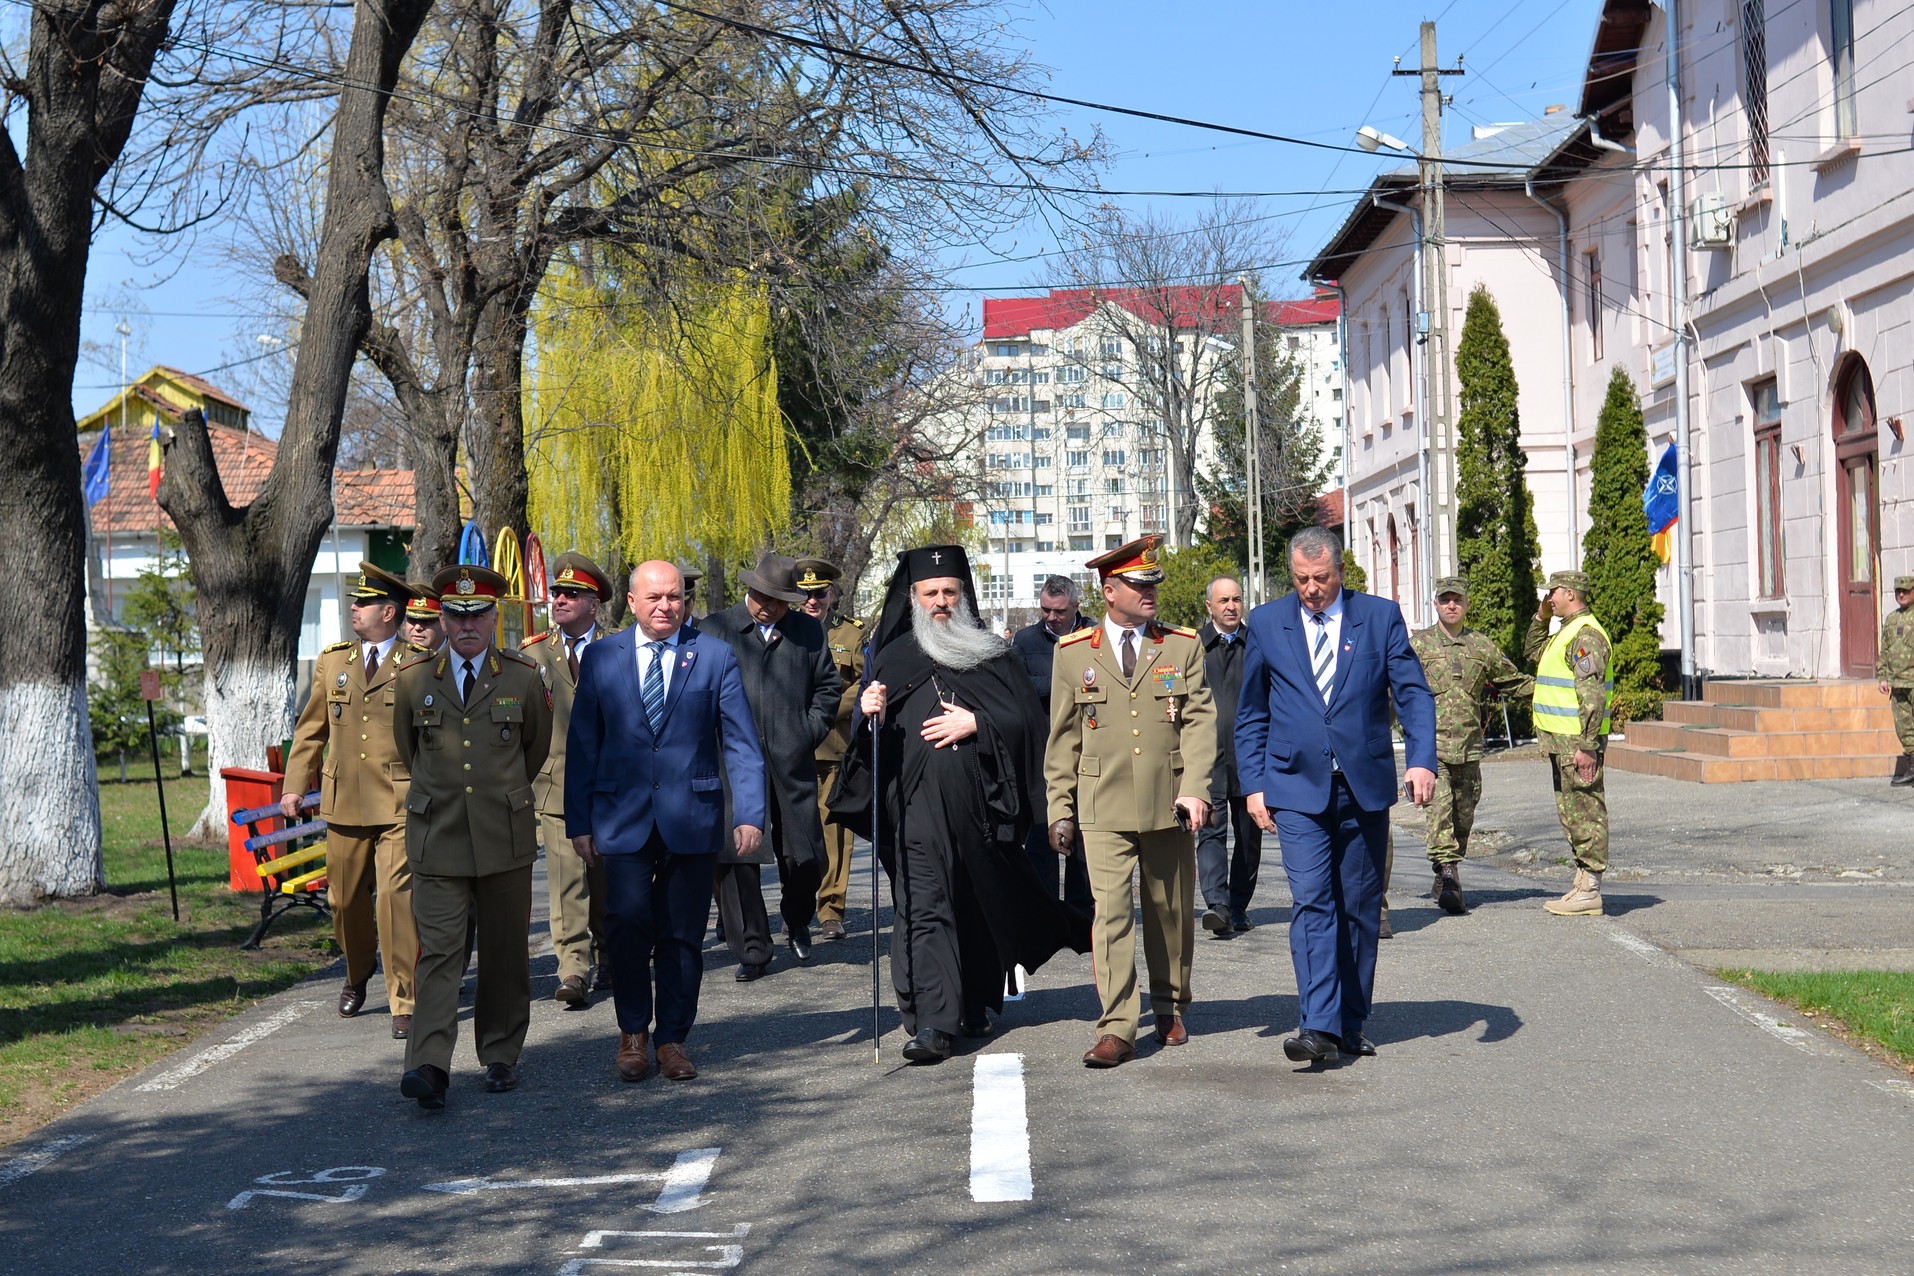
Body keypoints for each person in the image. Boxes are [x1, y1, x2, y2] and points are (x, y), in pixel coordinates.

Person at [834, 545, 1088, 1063]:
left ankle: (973, 1002)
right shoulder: (891, 657)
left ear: (964, 596)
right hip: (915, 811)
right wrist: (870, 713)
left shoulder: (993, 654)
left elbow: (1029, 725)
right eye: (931, 594)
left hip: (981, 810)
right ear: (913, 598)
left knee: (976, 902)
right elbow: (869, 745)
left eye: (950, 592)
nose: (942, 602)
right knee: (925, 907)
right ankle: (934, 1022)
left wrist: (977, 723)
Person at [1237, 528, 1436, 1067]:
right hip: (1295, 787)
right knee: (1312, 901)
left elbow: (1413, 693)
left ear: (1340, 571)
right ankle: (1317, 1025)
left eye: (1321, 579)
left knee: (1359, 908)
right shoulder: (1266, 623)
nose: (1311, 589)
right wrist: (1253, 785)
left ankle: (1350, 1023)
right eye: (1301, 580)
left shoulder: (1379, 617)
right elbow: (1252, 713)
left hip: (1363, 786)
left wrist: (1421, 758)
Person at [567, 561, 765, 1082]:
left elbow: (741, 741)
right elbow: (583, 743)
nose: (665, 606)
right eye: (653, 597)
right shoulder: (602, 658)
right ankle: (632, 1033)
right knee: (628, 923)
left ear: (687, 603)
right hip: (620, 815)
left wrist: (749, 812)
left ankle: (672, 1038)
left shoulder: (714, 657)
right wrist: (578, 820)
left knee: (681, 935)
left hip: (692, 817)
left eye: (674, 597)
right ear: (630, 603)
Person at [1045, 535, 1217, 1068]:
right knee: (1111, 916)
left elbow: (1199, 722)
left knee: (1169, 912)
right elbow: (1063, 738)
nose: (1151, 594)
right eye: (1140, 586)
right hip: (1102, 807)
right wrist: (1060, 807)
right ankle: (1118, 1025)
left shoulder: (1181, 645)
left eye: (1153, 585)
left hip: (1168, 801)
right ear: (1109, 590)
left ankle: (1168, 1006)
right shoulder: (1074, 654)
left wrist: (1196, 788)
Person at [392, 564, 553, 1109]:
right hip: (437, 836)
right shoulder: (414, 680)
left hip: (502, 835)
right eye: (456, 615)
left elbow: (532, 750)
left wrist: (498, 793)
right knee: (439, 952)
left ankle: (501, 1054)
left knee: (506, 952)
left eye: (479, 614)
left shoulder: (523, 678)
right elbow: (407, 752)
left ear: (494, 618)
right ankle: (429, 1064)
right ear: (441, 617)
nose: (467, 625)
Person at [282, 561, 424, 1038]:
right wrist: (294, 785)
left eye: (363, 603)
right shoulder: (334, 661)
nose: (354, 609)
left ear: (390, 612)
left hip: (399, 802)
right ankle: (357, 972)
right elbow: (311, 730)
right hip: (343, 801)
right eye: (354, 602)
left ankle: (403, 996)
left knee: (395, 900)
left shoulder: (416, 663)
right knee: (343, 901)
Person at [698, 554, 841, 979]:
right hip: (732, 764)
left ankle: (797, 918)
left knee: (806, 855)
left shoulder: (807, 631)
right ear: (751, 590)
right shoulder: (716, 629)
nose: (769, 607)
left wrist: (805, 731)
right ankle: (754, 951)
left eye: (779, 601)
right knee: (737, 860)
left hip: (789, 759)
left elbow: (828, 688)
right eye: (763, 597)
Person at [521, 552, 615, 1004]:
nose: (558, 599)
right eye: (556, 592)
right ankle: (573, 968)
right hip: (556, 785)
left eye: (570, 594)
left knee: (608, 880)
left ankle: (611, 953)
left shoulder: (619, 648)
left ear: (593, 604)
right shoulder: (532, 653)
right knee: (567, 881)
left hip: (613, 787)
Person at [1410, 576, 1534, 915]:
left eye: (1457, 600)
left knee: (1463, 816)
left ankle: (1446, 870)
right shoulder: (1417, 646)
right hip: (1430, 751)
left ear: (1466, 604)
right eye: (1445, 599)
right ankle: (1449, 874)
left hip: (1468, 748)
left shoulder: (1482, 647)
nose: (1451, 605)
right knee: (1439, 812)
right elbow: (1395, 687)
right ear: (1435, 604)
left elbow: (1513, 680)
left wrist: (1555, 690)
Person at [1526, 570, 1614, 917]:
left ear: (1569, 593)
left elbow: (1591, 696)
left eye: (1553, 594)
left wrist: (1588, 745)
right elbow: (1533, 652)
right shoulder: (1565, 632)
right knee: (1572, 813)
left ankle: (1590, 887)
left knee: (1586, 811)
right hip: (1561, 742)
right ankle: (1581, 881)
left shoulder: (1585, 636)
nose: (1550, 599)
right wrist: (1540, 618)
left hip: (1577, 743)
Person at [1011, 576, 1094, 912]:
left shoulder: (1093, 636)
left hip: (1088, 750)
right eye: (1044, 609)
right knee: (1042, 839)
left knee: (1084, 839)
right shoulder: (1025, 640)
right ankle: (1043, 910)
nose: (1050, 617)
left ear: (1075, 606)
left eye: (1058, 611)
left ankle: (1079, 910)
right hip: (1042, 753)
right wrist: (1066, 683)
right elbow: (1019, 685)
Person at [796, 557, 864, 940]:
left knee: (834, 829)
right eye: (805, 595)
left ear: (832, 594)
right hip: (791, 749)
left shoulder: (851, 635)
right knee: (793, 832)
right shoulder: (786, 631)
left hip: (833, 748)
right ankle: (798, 905)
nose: (812, 602)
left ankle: (830, 908)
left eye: (819, 594)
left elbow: (863, 685)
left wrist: (821, 709)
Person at [1195, 574, 1260, 937]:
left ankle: (1238, 906)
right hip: (1208, 760)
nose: (1232, 606)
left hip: (1251, 759)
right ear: (1210, 606)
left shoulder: (1257, 645)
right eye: (1224, 601)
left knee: (1250, 838)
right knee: (1210, 834)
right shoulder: (1194, 648)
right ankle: (1217, 905)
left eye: (1236, 599)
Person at [1878, 575, 1914, 786]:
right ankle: (1912, 768)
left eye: (1905, 590)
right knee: (1904, 728)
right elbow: (1885, 650)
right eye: (1898, 591)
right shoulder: (1892, 619)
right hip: (1899, 682)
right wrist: (1882, 676)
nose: (1901, 594)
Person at [403, 583, 444, 652]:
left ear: (444, 624)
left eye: (426, 621)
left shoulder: (458, 657)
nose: (417, 627)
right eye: (412, 620)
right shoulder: (395, 658)